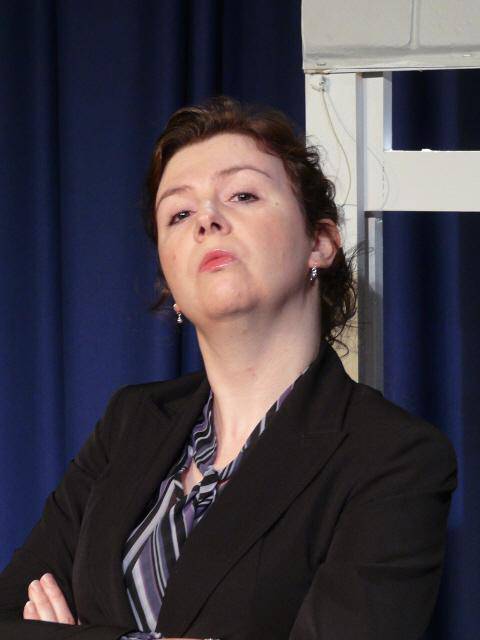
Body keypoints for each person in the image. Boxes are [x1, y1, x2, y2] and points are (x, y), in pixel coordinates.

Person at [0, 96, 457, 640]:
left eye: (242, 195)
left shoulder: (395, 457)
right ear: (170, 285)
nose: (207, 220)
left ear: (319, 242)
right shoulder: (131, 421)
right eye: (179, 214)